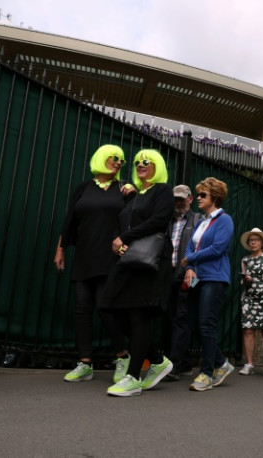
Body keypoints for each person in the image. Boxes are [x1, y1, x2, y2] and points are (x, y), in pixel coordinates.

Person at [54, 145, 133, 383]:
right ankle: (85, 363)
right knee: (81, 309)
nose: (119, 162)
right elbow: (70, 220)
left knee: (106, 309)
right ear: (101, 158)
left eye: (122, 160)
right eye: (114, 158)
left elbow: (133, 220)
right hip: (84, 256)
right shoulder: (83, 188)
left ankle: (123, 356)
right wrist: (61, 248)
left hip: (110, 258)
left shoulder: (124, 188)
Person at [101, 149, 175, 397]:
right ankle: (157, 359)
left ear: (157, 166)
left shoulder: (163, 190)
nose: (141, 165)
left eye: (147, 161)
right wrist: (119, 240)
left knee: (138, 315)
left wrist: (125, 237)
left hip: (151, 260)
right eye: (137, 162)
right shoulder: (134, 196)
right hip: (129, 260)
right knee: (111, 308)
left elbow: (159, 220)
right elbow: (122, 225)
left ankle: (133, 377)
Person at [182, 177, 235, 392]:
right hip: (198, 278)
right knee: (194, 324)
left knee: (206, 324)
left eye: (203, 195)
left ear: (215, 196)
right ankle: (222, 364)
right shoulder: (202, 221)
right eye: (199, 195)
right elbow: (188, 249)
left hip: (215, 278)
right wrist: (189, 268)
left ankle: (206, 373)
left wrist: (191, 260)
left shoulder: (224, 220)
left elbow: (218, 249)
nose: (199, 199)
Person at [165, 184, 200, 380]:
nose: (178, 202)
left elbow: (198, 247)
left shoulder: (197, 220)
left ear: (190, 199)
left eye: (182, 198)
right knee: (173, 318)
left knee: (181, 318)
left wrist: (191, 268)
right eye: (176, 198)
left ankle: (175, 364)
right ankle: (185, 362)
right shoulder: (167, 220)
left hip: (187, 275)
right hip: (167, 276)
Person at [238, 228, 263, 377]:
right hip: (249, 297)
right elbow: (243, 279)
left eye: (256, 240)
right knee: (248, 329)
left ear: (262, 242)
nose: (253, 242)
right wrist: (246, 280)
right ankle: (249, 363)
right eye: (251, 240)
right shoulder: (245, 260)